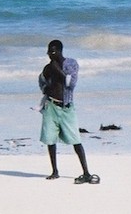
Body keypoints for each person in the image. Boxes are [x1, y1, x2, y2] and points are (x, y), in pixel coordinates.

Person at [38, 39, 100, 184]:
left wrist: (57, 70)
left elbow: (70, 84)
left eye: (52, 51)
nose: (49, 54)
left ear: (59, 51)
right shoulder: (48, 68)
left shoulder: (71, 64)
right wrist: (45, 88)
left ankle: (86, 172)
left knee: (76, 140)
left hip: (66, 108)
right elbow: (41, 81)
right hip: (51, 106)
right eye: (48, 51)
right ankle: (55, 171)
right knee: (50, 139)